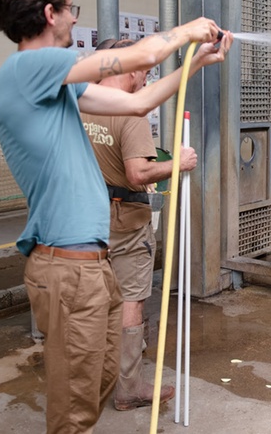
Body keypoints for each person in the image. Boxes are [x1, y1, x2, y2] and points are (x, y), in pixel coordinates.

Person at [0, 0, 232, 433]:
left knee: (97, 382)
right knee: (74, 409)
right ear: (50, 12)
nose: (77, 19)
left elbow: (139, 100)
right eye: (72, 9)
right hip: (67, 266)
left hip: (90, 264)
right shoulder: (27, 68)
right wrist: (186, 30)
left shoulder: (56, 88)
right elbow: (137, 59)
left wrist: (194, 63)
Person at [81, 38, 200, 411]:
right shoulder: (129, 115)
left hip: (84, 217)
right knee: (130, 299)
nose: (145, 78)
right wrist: (178, 163)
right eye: (145, 70)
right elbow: (138, 173)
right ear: (129, 68)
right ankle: (128, 386)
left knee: (88, 303)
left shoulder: (81, 102)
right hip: (125, 222)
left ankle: (86, 385)